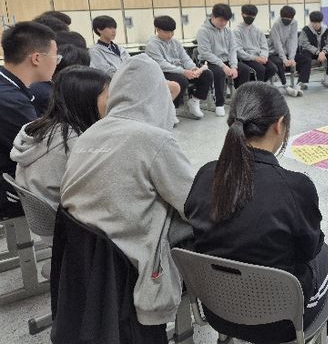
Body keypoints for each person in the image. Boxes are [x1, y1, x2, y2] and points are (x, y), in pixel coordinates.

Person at [185, 82, 328, 343]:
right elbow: (308, 250)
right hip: (281, 323)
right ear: (279, 125)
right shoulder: (295, 186)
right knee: (325, 254)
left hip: (217, 312)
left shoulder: (205, 175)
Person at [60, 54, 195, 327]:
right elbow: (194, 203)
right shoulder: (153, 139)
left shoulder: (90, 133)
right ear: (158, 95)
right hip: (134, 262)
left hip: (91, 258)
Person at [11, 66, 110, 211]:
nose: (112, 103)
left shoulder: (38, 128)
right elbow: (105, 192)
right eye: (108, 97)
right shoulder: (74, 142)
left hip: (46, 218)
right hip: (70, 219)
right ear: (87, 100)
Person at [0, 22, 58, 219]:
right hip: (8, 191)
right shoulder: (11, 101)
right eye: (55, 56)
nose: (57, 62)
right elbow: (39, 150)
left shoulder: (9, 86)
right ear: (36, 58)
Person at [145, 15, 213, 119]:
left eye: (172, 32)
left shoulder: (175, 42)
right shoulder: (152, 45)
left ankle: (194, 100)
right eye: (167, 32)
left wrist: (193, 68)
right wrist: (183, 71)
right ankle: (172, 108)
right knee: (181, 81)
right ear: (157, 30)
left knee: (207, 74)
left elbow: (185, 58)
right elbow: (162, 64)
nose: (170, 35)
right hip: (164, 72)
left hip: (180, 70)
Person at [196, 4, 251, 117]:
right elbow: (206, 53)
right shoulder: (203, 31)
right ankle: (219, 104)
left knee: (244, 69)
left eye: (226, 21)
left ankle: (241, 100)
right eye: (221, 20)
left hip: (226, 60)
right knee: (219, 73)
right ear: (213, 16)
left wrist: (234, 66)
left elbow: (232, 49)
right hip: (209, 62)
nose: (224, 23)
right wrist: (223, 66)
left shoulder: (228, 31)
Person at [234, 4, 277, 83]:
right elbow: (239, 51)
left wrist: (263, 57)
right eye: (247, 15)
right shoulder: (237, 31)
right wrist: (254, 58)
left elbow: (264, 46)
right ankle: (257, 87)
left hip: (260, 56)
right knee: (260, 69)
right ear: (242, 14)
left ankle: (257, 84)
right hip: (247, 58)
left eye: (253, 16)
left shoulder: (258, 30)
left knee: (273, 68)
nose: (250, 17)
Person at [295, 10, 328, 89]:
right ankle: (302, 81)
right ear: (311, 22)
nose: (317, 25)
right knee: (306, 58)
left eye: (318, 22)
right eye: (314, 23)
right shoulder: (305, 30)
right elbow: (305, 44)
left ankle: (327, 78)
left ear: (321, 21)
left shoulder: (326, 30)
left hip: (323, 52)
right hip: (310, 52)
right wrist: (317, 52)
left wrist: (323, 52)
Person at [268, 5, 301, 97]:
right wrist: (284, 59)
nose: (287, 21)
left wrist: (291, 58)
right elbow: (277, 44)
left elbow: (293, 40)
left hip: (286, 51)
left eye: (290, 19)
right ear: (281, 17)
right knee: (279, 62)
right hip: (273, 52)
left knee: (303, 59)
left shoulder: (294, 23)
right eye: (285, 19)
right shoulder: (276, 24)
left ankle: (299, 84)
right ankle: (286, 86)